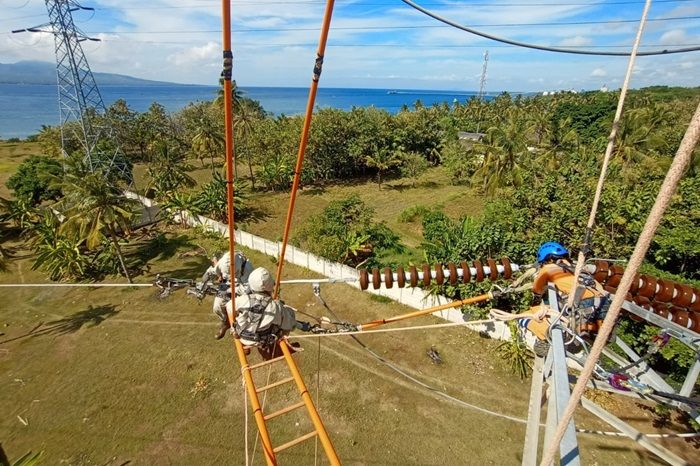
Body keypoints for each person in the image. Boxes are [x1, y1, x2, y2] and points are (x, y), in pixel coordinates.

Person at [519, 241, 610, 356]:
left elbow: (537, 291)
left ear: (547, 259)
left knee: (526, 316)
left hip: (583, 303)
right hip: (603, 304)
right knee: (595, 334)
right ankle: (587, 346)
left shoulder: (547, 269)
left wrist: (535, 305)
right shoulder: (579, 270)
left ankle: (549, 337)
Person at [225, 267, 314, 357]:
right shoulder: (275, 307)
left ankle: (246, 347)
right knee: (288, 314)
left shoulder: (242, 300)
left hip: (242, 336)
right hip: (260, 340)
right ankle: (279, 346)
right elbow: (289, 323)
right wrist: (303, 326)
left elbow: (229, 307)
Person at [201, 250, 254, 340]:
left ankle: (240, 333)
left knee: (239, 310)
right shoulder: (223, 261)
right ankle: (226, 323)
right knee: (217, 307)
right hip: (226, 284)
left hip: (241, 289)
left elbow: (246, 289)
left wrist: (230, 290)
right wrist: (208, 274)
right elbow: (215, 270)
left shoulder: (248, 269)